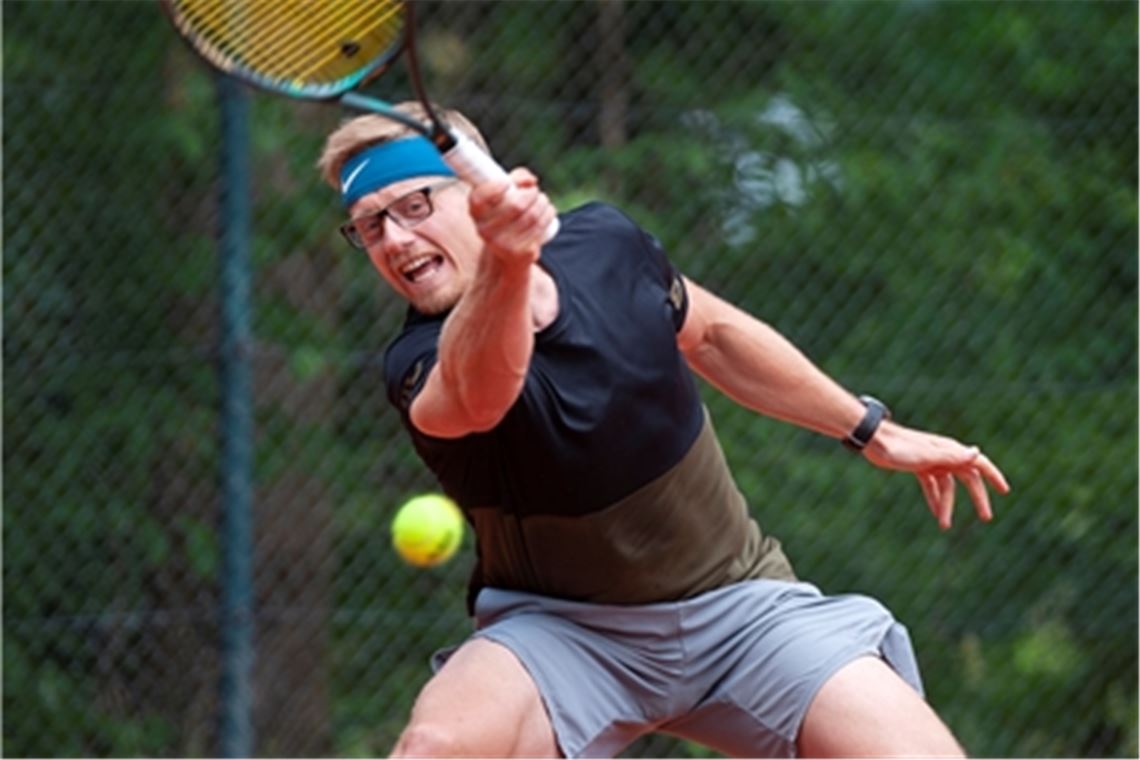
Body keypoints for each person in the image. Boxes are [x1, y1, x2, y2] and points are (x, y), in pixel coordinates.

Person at [317, 102, 1010, 759]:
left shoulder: (607, 248)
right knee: (435, 748)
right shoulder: (417, 359)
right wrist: (508, 258)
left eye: (413, 207)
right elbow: (480, 396)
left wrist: (870, 429)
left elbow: (712, 336)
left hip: (741, 610)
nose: (395, 240)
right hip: (562, 634)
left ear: (476, 189)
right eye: (370, 225)